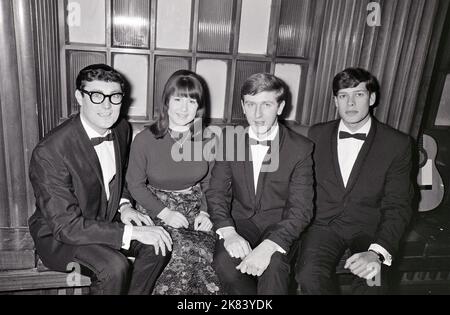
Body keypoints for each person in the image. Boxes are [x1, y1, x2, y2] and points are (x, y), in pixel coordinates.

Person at [28, 64, 172, 295]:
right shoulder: (50, 151)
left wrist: (124, 206)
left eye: (114, 97)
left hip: (104, 218)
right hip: (62, 235)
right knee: (114, 267)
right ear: (79, 97)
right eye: (96, 96)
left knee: (158, 245)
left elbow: (124, 172)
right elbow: (66, 226)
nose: (107, 106)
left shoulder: (122, 128)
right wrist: (132, 233)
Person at [295, 67, 413, 294]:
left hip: (371, 229)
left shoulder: (397, 144)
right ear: (335, 101)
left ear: (372, 98)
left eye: (358, 94)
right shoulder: (315, 135)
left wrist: (377, 252)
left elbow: (399, 205)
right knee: (308, 276)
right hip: (324, 226)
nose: (350, 103)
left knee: (374, 283)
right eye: (343, 96)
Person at [206, 73, 314, 295]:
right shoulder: (230, 138)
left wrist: (268, 246)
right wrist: (228, 231)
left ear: (280, 106)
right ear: (243, 106)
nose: (257, 114)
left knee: (274, 268)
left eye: (266, 104)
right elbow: (217, 192)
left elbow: (301, 210)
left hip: (280, 225)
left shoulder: (301, 148)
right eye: (251, 104)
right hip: (241, 222)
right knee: (225, 263)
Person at [126, 69, 222, 295]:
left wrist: (206, 213)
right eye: (177, 99)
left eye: (191, 101)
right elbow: (135, 184)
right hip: (155, 208)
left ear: (199, 106)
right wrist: (165, 213)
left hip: (195, 209)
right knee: (177, 251)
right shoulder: (145, 139)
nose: (183, 108)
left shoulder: (208, 139)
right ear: (166, 101)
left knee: (206, 254)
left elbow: (211, 182)